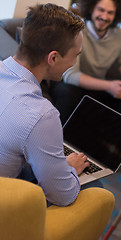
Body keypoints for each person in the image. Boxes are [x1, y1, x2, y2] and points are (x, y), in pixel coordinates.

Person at [0, 3, 89, 207]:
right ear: (54, 57)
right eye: (76, 55)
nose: (75, 63)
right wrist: (71, 170)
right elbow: (62, 195)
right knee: (94, 188)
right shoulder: (41, 114)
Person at [50, 0, 121, 124]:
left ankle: (106, 140)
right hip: (71, 85)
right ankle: (60, 139)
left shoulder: (118, 35)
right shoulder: (77, 31)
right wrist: (109, 86)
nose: (104, 17)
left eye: (110, 12)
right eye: (101, 10)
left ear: (116, 15)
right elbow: (71, 76)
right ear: (91, 9)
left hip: (96, 87)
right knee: (68, 93)